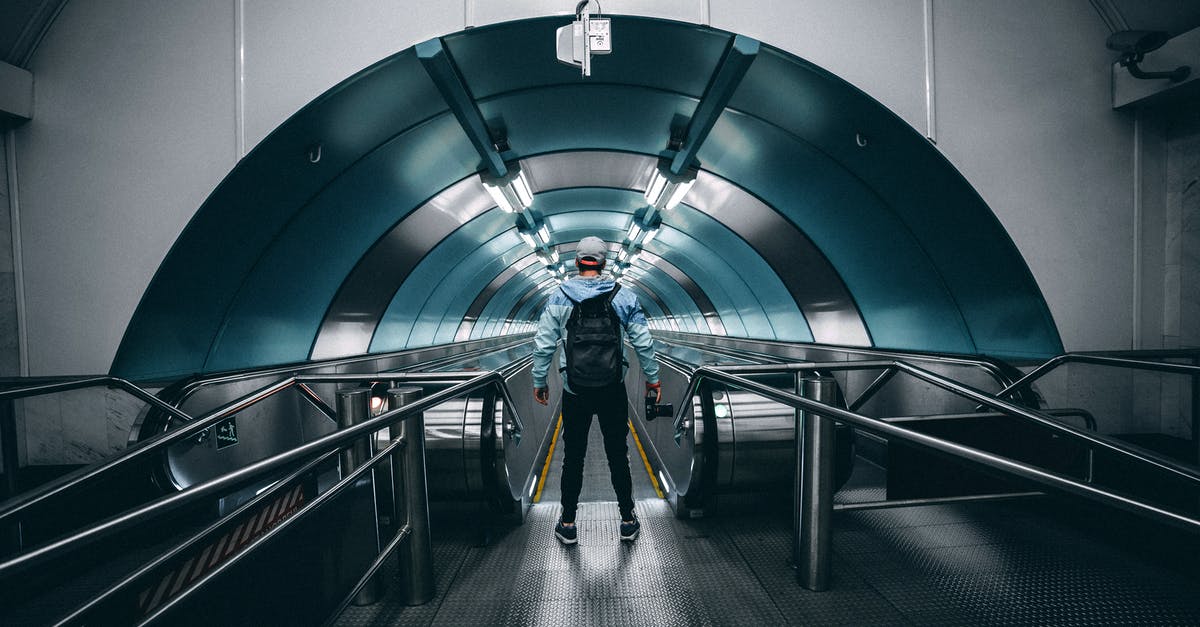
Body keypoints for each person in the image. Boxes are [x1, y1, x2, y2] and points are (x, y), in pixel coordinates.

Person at [532, 236, 661, 545]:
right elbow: (643, 341)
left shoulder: (559, 296)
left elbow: (544, 343)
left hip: (574, 389)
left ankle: (568, 522)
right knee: (618, 453)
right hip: (613, 387)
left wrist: (540, 380)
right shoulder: (624, 296)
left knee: (573, 455)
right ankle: (628, 520)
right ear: (604, 264)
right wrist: (652, 379)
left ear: (577, 262)